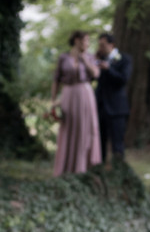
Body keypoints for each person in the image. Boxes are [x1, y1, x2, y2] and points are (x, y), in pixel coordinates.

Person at [51, 30, 102, 176]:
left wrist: (84, 60)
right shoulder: (64, 58)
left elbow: (96, 74)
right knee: (67, 128)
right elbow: (56, 80)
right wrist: (53, 100)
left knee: (85, 128)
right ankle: (65, 167)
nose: (87, 44)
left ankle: (83, 166)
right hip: (68, 95)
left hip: (85, 95)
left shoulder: (90, 57)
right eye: (86, 40)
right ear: (77, 41)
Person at [94, 31, 132, 163]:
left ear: (112, 45)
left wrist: (108, 69)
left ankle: (118, 168)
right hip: (100, 107)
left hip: (117, 109)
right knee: (100, 141)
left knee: (117, 142)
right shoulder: (98, 60)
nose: (101, 48)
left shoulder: (124, 59)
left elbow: (123, 80)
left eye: (103, 45)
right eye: (99, 45)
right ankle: (101, 166)